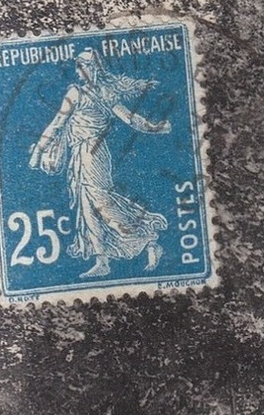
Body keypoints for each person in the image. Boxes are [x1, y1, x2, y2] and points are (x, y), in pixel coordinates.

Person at [28, 49, 171, 279]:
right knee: (87, 207)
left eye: (85, 65)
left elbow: (129, 118)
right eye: (78, 65)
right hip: (79, 153)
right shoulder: (75, 92)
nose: (80, 70)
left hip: (94, 153)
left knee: (102, 202)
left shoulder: (104, 92)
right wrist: (39, 150)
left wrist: (153, 127)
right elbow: (57, 123)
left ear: (95, 68)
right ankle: (102, 260)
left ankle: (148, 238)